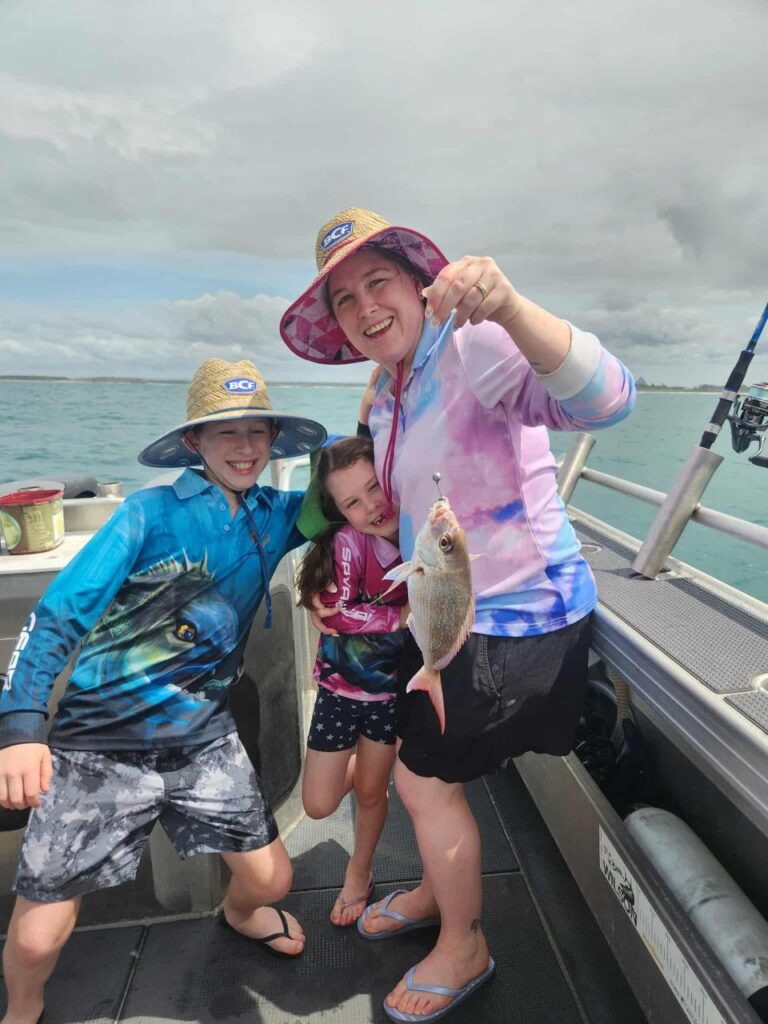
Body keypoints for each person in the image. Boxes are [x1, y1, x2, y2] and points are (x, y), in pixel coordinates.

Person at [280, 208, 635, 1023]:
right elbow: (381, 499)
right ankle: (442, 893)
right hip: (444, 617)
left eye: (378, 283)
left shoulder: (476, 344)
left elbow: (608, 400)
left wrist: (509, 306)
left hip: (517, 619)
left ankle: (464, 941)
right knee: (424, 773)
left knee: (421, 779)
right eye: (344, 300)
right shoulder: (388, 393)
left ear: (418, 283)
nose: (365, 308)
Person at [0, 358, 326, 1024]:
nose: (245, 447)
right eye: (225, 431)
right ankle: (22, 1009)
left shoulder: (279, 516)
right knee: (35, 939)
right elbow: (59, 614)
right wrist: (22, 727)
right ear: (193, 442)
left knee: (273, 881)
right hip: (100, 741)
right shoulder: (145, 513)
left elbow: (356, 483)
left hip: (203, 736)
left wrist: (384, 403)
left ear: (274, 440)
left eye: (257, 431)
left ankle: (239, 915)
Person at [296, 435, 408, 926]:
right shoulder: (349, 542)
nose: (371, 506)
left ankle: (359, 873)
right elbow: (337, 612)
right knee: (318, 805)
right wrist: (399, 616)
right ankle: (364, 766)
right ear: (339, 512)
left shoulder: (421, 535)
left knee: (370, 794)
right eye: (352, 502)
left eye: (374, 487)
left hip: (388, 696)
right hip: (338, 690)